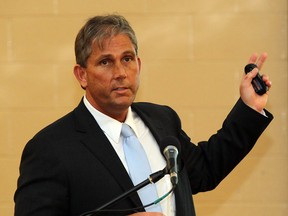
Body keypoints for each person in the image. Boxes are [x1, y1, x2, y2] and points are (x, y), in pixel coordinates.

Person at [14, 14, 273, 216]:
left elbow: (205, 170)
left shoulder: (161, 120)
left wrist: (249, 108)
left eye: (127, 59)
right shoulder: (50, 149)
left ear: (138, 65)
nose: (120, 72)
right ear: (82, 75)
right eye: (105, 62)